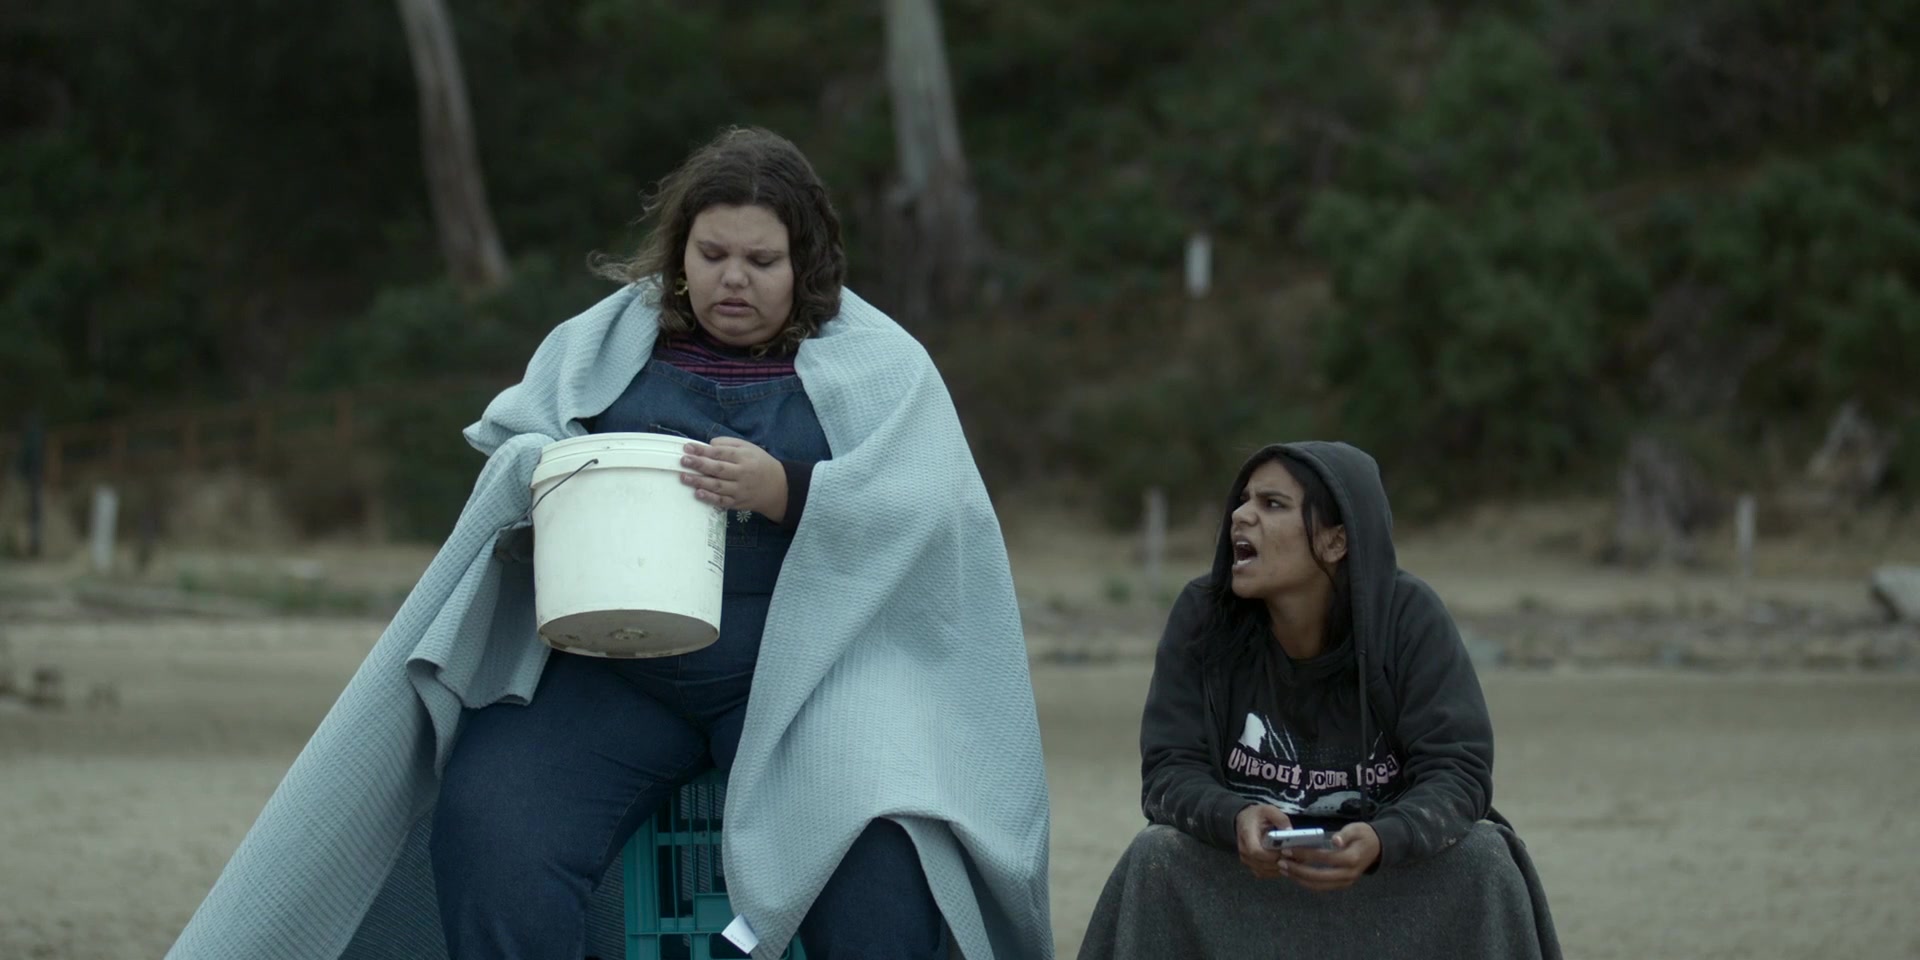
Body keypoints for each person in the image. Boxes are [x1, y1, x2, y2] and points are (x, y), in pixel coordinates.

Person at [166, 128, 1052, 960]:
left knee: (882, 868)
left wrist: (787, 490)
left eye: (761, 261)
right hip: (615, 663)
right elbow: (519, 438)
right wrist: (544, 470)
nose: (732, 280)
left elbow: (931, 512)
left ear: (806, 264)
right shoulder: (608, 339)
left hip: (813, 675)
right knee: (494, 827)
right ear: (680, 254)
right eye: (711, 255)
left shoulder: (883, 365)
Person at [1077, 442, 1560, 960]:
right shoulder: (1204, 616)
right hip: (1249, 878)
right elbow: (1170, 772)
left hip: (1385, 878)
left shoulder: (1408, 618)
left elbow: (1459, 772)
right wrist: (1234, 817)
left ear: (1336, 541)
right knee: (1156, 855)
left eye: (1272, 504)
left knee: (1487, 857)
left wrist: (1383, 839)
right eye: (1243, 500)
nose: (1241, 516)